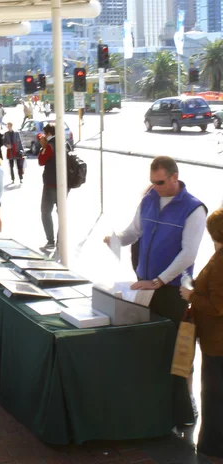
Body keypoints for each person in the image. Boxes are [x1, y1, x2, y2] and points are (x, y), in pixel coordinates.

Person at [104, 156, 207, 427]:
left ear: (175, 177)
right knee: (149, 349)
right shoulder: (149, 199)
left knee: (177, 353)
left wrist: (158, 281)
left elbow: (188, 255)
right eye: (152, 182)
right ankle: (152, 407)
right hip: (145, 288)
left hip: (173, 292)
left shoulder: (193, 209)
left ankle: (184, 411)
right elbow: (133, 232)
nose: (155, 187)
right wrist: (114, 239)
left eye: (160, 182)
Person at [180, 208, 223, 460]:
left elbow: (218, 306)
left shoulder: (220, 261)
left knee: (213, 394)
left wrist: (192, 295)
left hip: (216, 341)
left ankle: (211, 446)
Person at [38, 123, 69, 252]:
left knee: (45, 211)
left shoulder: (49, 146)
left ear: (49, 133)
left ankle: (51, 241)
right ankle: (61, 242)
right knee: (61, 214)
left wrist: (42, 147)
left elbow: (41, 161)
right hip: (64, 184)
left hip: (51, 184)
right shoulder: (65, 143)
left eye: (45, 133)